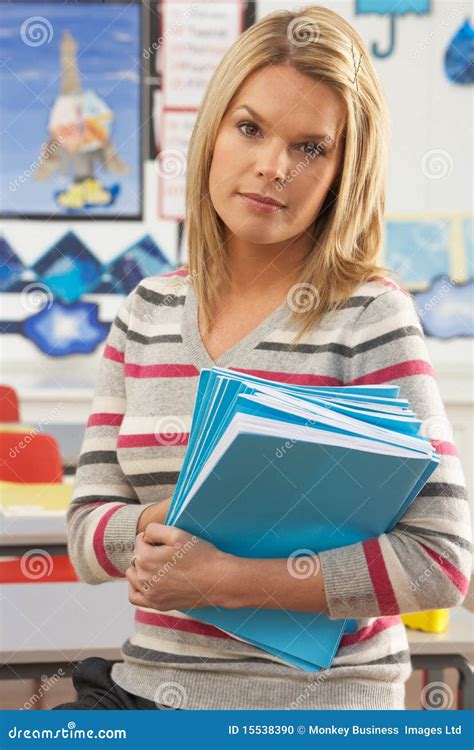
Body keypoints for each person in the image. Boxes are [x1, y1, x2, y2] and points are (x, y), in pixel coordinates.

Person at [53, 5, 471, 711]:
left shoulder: (368, 314)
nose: (272, 167)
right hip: (151, 695)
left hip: (319, 711)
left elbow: (440, 562)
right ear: (214, 129)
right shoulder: (145, 312)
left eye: (311, 147)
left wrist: (221, 579)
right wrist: (145, 531)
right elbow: (87, 529)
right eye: (250, 128)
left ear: (345, 170)